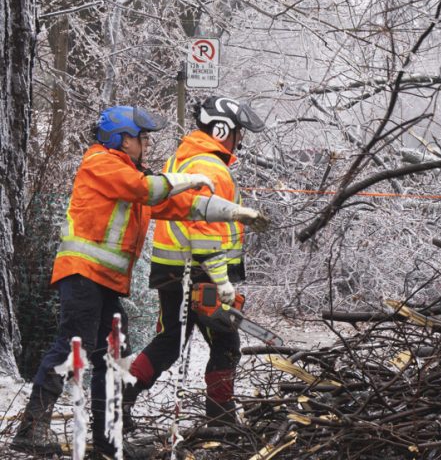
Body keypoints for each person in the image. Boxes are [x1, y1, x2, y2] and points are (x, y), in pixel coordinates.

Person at [11, 106, 267, 459]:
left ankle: (107, 439)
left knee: (110, 354)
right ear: (121, 138)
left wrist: (234, 212)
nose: (147, 144)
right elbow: (146, 189)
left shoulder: (131, 174)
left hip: (104, 281)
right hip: (83, 274)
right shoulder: (101, 163)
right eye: (142, 138)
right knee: (77, 345)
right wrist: (187, 180)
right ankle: (32, 427)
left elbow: (179, 206)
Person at [123, 96, 268, 431]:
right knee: (227, 343)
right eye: (237, 132)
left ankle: (121, 397)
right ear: (222, 130)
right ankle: (220, 416)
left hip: (176, 268)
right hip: (198, 270)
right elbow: (203, 228)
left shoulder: (186, 159)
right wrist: (219, 283)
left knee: (170, 340)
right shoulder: (208, 166)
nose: (240, 139)